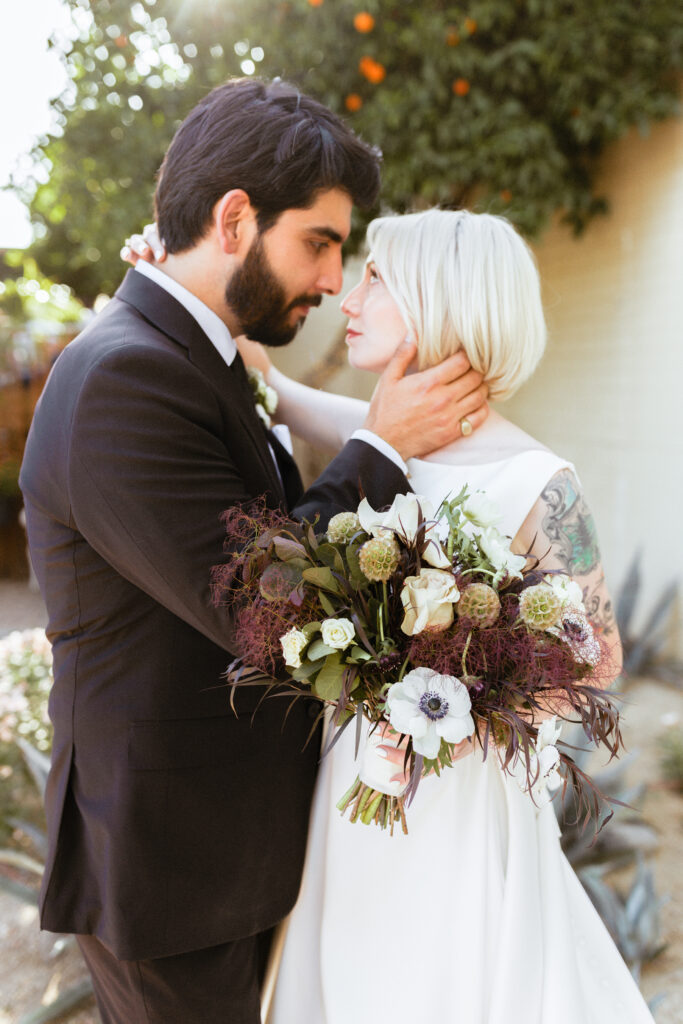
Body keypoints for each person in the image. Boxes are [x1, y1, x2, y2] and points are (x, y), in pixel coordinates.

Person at [19, 80, 489, 1024]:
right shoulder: (126, 381)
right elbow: (266, 605)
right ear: (234, 219)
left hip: (227, 853)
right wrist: (384, 449)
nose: (329, 280)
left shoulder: (195, 355)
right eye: (317, 242)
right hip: (173, 876)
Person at [222, 209, 652, 1023]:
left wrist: (441, 716)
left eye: (374, 280)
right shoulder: (379, 440)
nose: (349, 299)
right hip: (350, 790)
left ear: (437, 299)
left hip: (457, 808)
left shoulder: (538, 479)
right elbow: (261, 380)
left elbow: (596, 663)